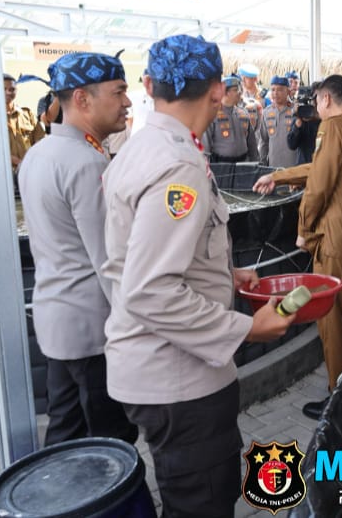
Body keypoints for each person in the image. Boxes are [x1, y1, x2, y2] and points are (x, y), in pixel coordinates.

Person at [102, 34, 298, 518]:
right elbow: (151, 291)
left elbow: (145, 256)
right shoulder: (177, 166)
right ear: (215, 90)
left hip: (158, 367)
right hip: (179, 379)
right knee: (201, 503)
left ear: (150, 86)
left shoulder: (143, 148)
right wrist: (247, 328)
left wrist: (225, 275)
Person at [18, 52, 138, 448]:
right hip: (92, 332)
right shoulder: (87, 163)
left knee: (64, 434)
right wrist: (137, 327)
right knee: (111, 442)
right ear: (83, 99)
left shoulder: (38, 154)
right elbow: (109, 261)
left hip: (57, 323)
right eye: (118, 92)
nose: (127, 102)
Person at [254, 74, 342, 420]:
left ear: (326, 99)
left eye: (317, 102)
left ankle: (339, 401)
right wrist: (278, 176)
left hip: (336, 243)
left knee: (334, 323)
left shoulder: (333, 127)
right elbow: (321, 166)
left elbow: (320, 185)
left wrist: (304, 230)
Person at [203, 75, 258, 163]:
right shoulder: (212, 115)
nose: (239, 92)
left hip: (243, 165)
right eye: (236, 90)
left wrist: (255, 162)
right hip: (221, 166)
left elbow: (252, 144)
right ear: (225, 93)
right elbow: (205, 149)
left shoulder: (243, 114)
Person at [5, 73, 45, 171]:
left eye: (12, 89)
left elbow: (40, 141)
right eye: (3, 89)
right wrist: (19, 163)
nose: (8, 92)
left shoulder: (27, 114)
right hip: (5, 172)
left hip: (31, 169)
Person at [259, 75, 299, 167]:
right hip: (273, 166)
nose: (275, 93)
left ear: (288, 91)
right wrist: (263, 163)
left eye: (280, 90)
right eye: (273, 90)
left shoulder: (296, 111)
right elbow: (264, 141)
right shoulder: (266, 112)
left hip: (294, 167)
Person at [238, 63, 263, 128]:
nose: (243, 81)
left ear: (255, 79)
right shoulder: (240, 95)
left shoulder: (263, 95)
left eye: (245, 78)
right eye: (242, 78)